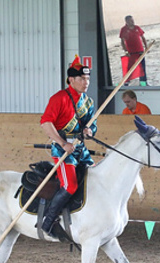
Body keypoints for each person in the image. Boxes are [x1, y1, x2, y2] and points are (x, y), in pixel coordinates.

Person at [39, 55, 97, 238]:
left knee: (95, 178)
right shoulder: (59, 98)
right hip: (62, 149)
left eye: (87, 79)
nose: (85, 82)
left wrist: (90, 130)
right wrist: (62, 143)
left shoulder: (88, 102)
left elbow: (92, 125)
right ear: (71, 80)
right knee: (70, 185)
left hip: (80, 148)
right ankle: (48, 221)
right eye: (81, 79)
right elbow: (46, 123)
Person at [119, 15, 148, 85]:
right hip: (131, 52)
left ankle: (143, 82)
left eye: (132, 20)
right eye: (130, 21)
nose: (132, 22)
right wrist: (125, 51)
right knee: (129, 68)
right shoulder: (123, 29)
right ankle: (126, 82)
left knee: (142, 67)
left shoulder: (137, 28)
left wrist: (146, 47)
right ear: (126, 21)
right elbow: (122, 41)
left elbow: (143, 37)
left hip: (140, 50)